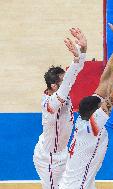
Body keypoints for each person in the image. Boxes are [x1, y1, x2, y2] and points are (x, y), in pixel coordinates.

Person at [59, 24, 113, 189]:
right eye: (101, 106)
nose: (103, 105)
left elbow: (105, 81)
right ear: (95, 113)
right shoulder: (92, 127)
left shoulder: (83, 121)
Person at [33, 28, 87, 189]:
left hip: (62, 152)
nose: (67, 84)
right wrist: (76, 60)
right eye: (63, 81)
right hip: (50, 160)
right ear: (54, 86)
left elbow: (74, 73)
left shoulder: (59, 90)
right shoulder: (50, 105)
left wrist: (82, 51)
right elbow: (69, 81)